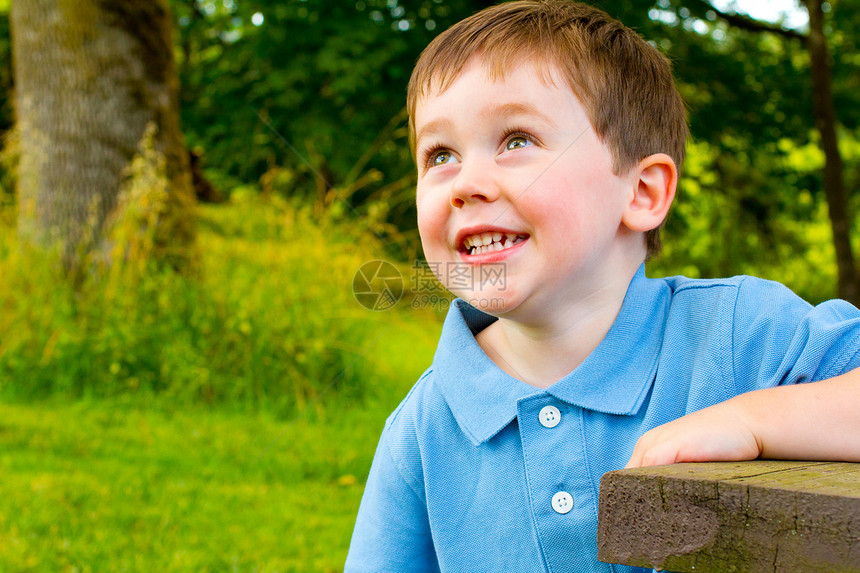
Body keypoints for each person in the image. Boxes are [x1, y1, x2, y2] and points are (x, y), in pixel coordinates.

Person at [345, 2, 860, 571]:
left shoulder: (743, 333)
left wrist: (754, 422)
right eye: (440, 154)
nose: (466, 183)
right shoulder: (423, 428)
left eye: (516, 140)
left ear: (641, 192)